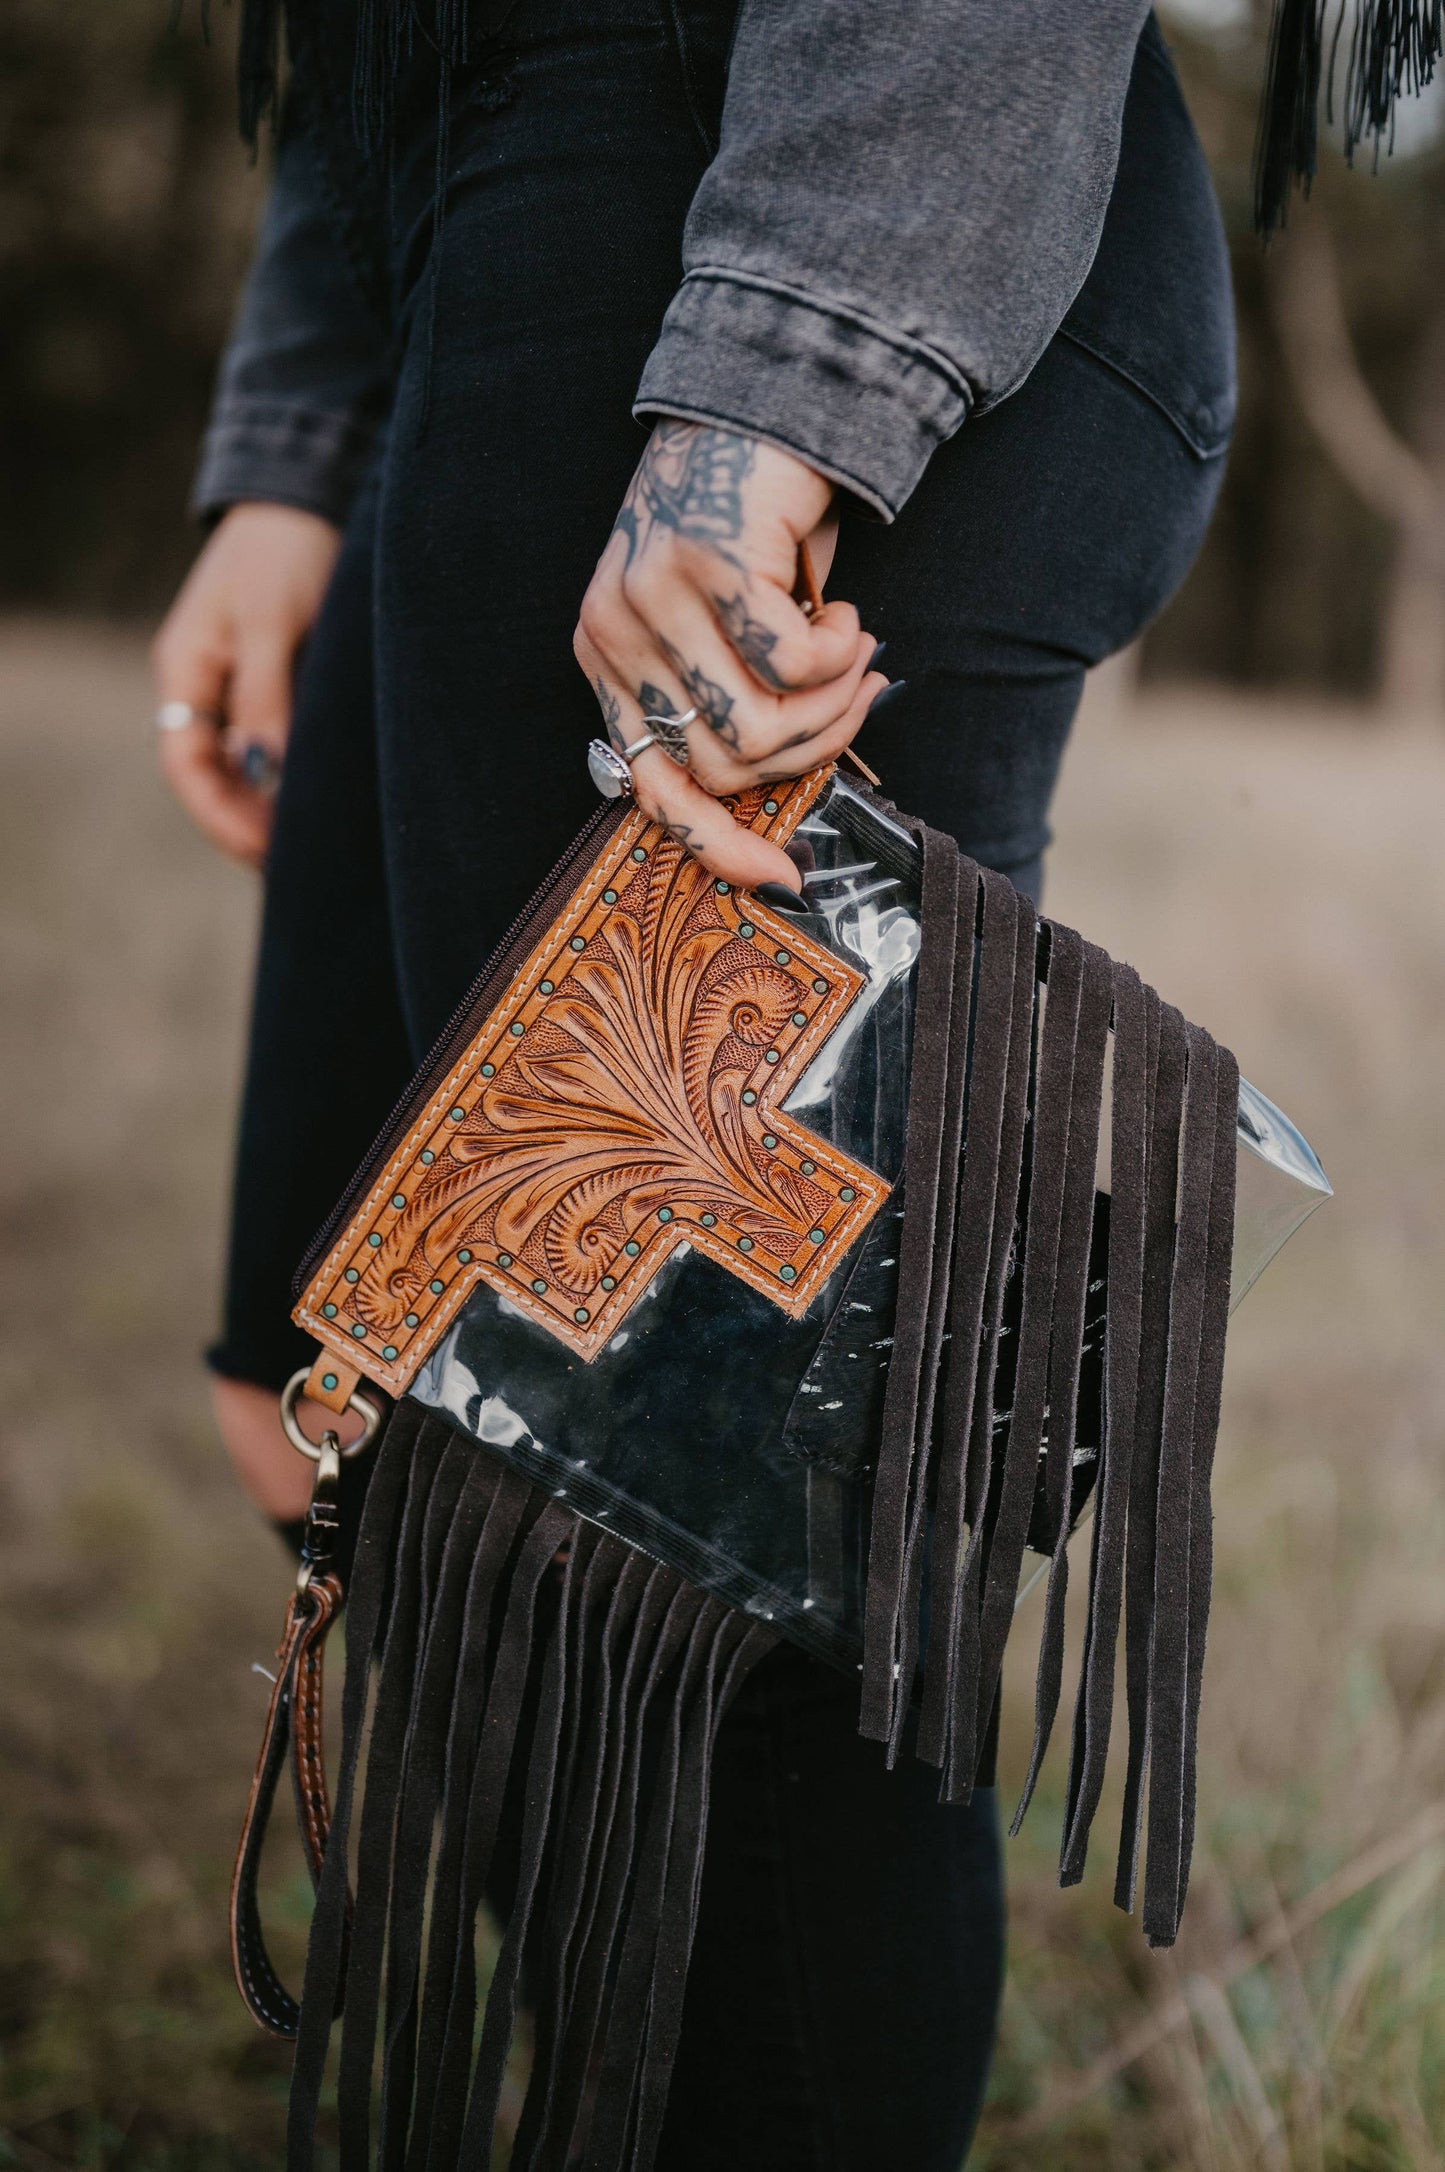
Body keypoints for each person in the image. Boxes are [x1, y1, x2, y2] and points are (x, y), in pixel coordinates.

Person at [153, 2, 1234, 2161]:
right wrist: (296, 439)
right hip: (474, 222)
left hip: (781, 211)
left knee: (700, 1557)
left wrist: (778, 395)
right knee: (327, 1406)